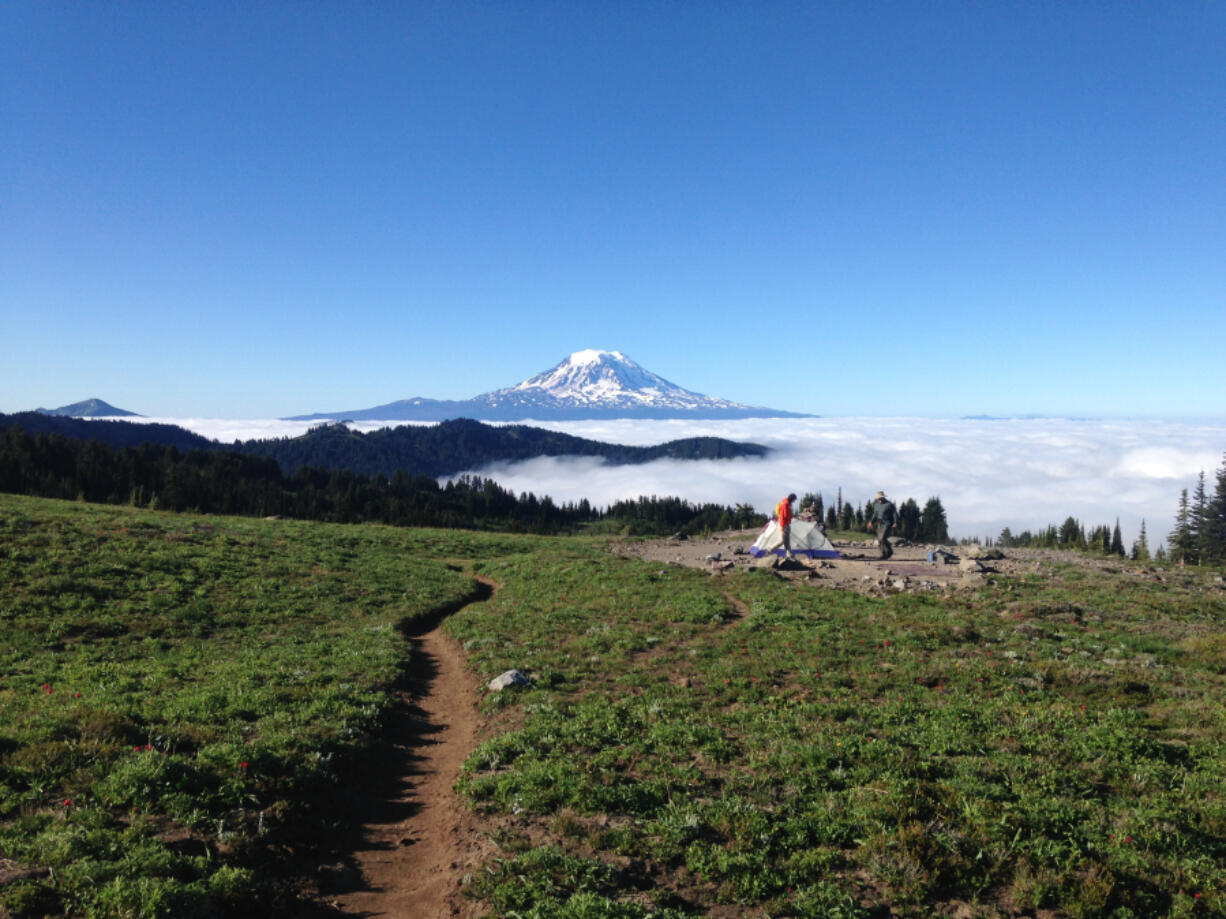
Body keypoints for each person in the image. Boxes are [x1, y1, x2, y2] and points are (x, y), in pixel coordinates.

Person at [868, 490, 898, 559]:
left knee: (882, 538)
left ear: (883, 497)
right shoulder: (876, 505)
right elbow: (875, 515)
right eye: (878, 498)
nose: (879, 499)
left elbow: (894, 514)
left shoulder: (889, 504)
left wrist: (895, 522)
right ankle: (884, 554)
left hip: (887, 523)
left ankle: (889, 552)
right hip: (879, 523)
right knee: (879, 539)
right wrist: (871, 522)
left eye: (880, 498)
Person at [776, 493, 797, 558]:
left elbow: (785, 515)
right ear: (792, 499)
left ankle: (789, 554)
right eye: (794, 500)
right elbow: (785, 516)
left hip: (785, 524)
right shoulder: (786, 504)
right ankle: (769, 549)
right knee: (783, 541)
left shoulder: (785, 503)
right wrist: (792, 516)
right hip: (784, 524)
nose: (794, 501)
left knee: (786, 540)